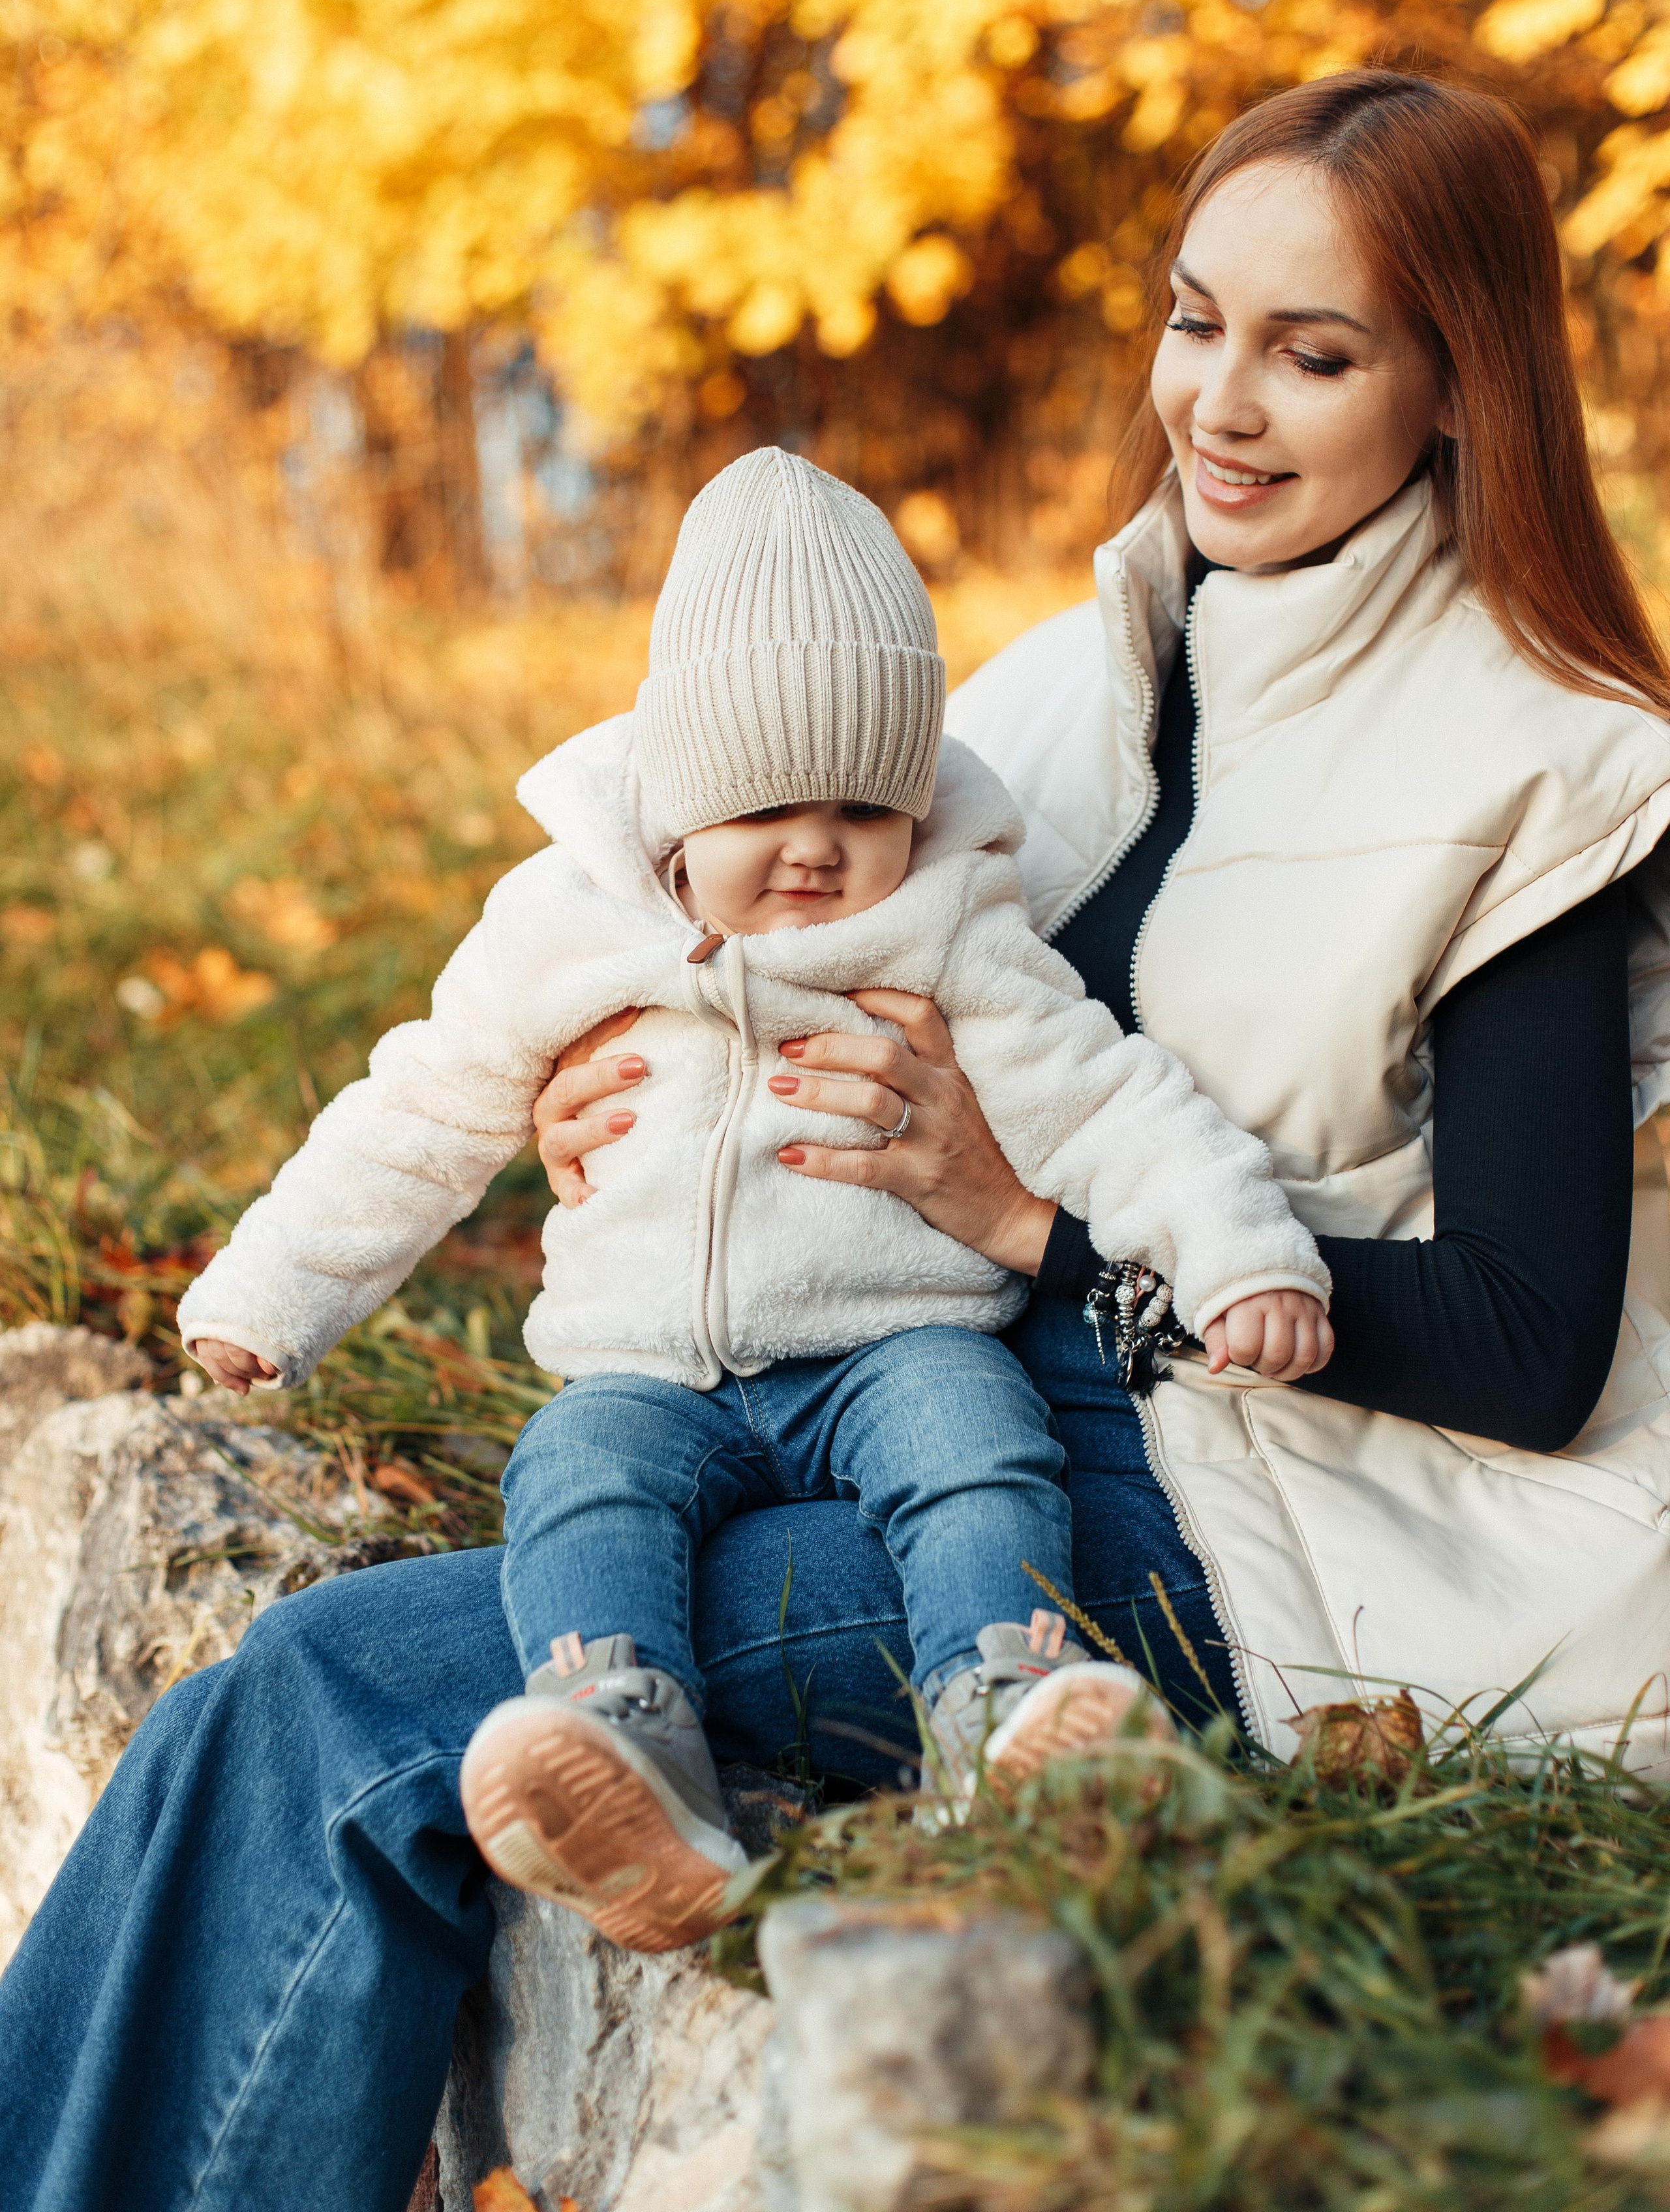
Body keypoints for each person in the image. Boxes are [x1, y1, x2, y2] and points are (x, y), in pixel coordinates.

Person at [7, 65, 1670, 2212]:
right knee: (295, 1683)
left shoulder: (1546, 769)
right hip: (890, 1394)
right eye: (1195, 322)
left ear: (1462, 389)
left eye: (1314, 353)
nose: (1223, 408)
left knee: (338, 1692)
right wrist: (578, 1074)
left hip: (1232, 1531)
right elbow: (744, 850)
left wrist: (1032, 1221)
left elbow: (1531, 1341)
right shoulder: (1073, 679)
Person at [172, 443, 1331, 1952]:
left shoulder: (950, 925)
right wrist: (270, 1297)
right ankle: (616, 1744)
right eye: (767, 804)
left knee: (980, 1450)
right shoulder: (563, 928)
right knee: (578, 1479)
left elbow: (1110, 1102)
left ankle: (1017, 1716)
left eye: (865, 804)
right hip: (649, 1361)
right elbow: (417, 1110)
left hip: (891, 1339)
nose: (818, 847)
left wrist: (1238, 1254)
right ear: (676, 802)